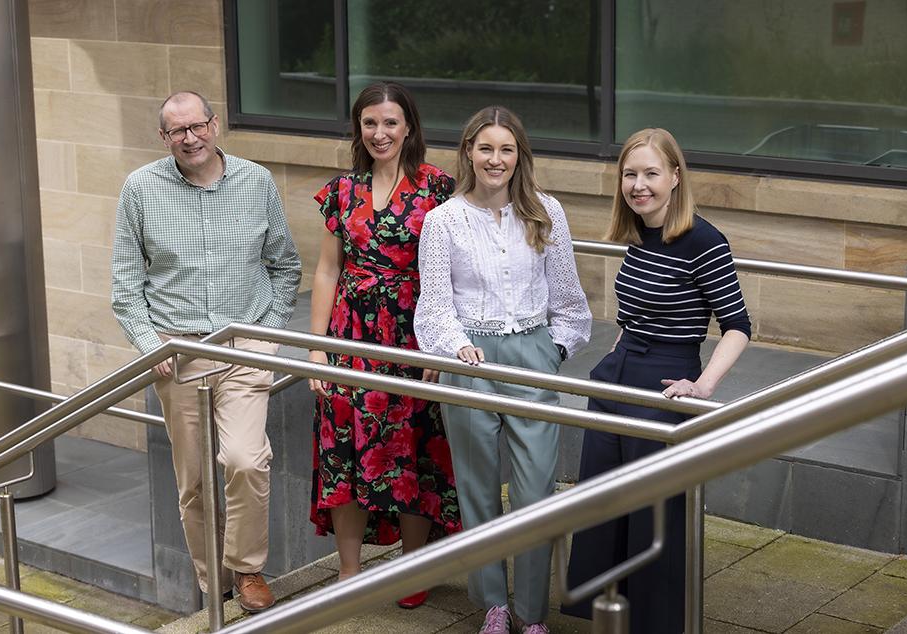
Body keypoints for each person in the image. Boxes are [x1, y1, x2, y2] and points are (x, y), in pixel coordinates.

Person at [111, 91, 301, 613]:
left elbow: (285, 264)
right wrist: (153, 347)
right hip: (179, 350)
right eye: (178, 131)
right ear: (164, 137)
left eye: (197, 126)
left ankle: (247, 569)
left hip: (244, 343)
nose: (190, 138)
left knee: (245, 458)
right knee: (193, 480)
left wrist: (269, 332)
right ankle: (212, 582)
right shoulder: (140, 189)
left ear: (215, 125)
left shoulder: (256, 180)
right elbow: (126, 288)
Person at [562, 128, 751, 633]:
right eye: (630, 174)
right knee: (604, 502)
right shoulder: (641, 233)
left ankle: (660, 623)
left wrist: (703, 385)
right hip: (617, 376)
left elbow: (737, 326)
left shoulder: (703, 241)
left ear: (674, 176)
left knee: (654, 514)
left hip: (664, 382)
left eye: (650, 173)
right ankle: (609, 615)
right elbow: (635, 315)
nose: (639, 184)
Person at [415, 106, 592, 634]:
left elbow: (567, 296)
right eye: (486, 148)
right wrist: (456, 347)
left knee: (537, 488)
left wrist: (553, 350)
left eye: (506, 149)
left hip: (533, 354)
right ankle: (494, 603)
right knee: (477, 485)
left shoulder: (546, 212)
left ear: (520, 155)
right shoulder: (443, 220)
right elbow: (435, 304)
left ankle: (533, 612)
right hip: (470, 359)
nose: (496, 159)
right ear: (469, 151)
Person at [308, 81, 461, 609]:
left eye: (390, 122)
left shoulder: (438, 188)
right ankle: (350, 572)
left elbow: (454, 271)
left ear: (409, 127)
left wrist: (445, 346)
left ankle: (411, 569)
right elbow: (328, 270)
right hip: (350, 333)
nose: (380, 132)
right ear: (359, 127)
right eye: (370, 122)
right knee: (342, 447)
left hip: (415, 333)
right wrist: (316, 348)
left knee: (415, 448)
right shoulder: (341, 191)